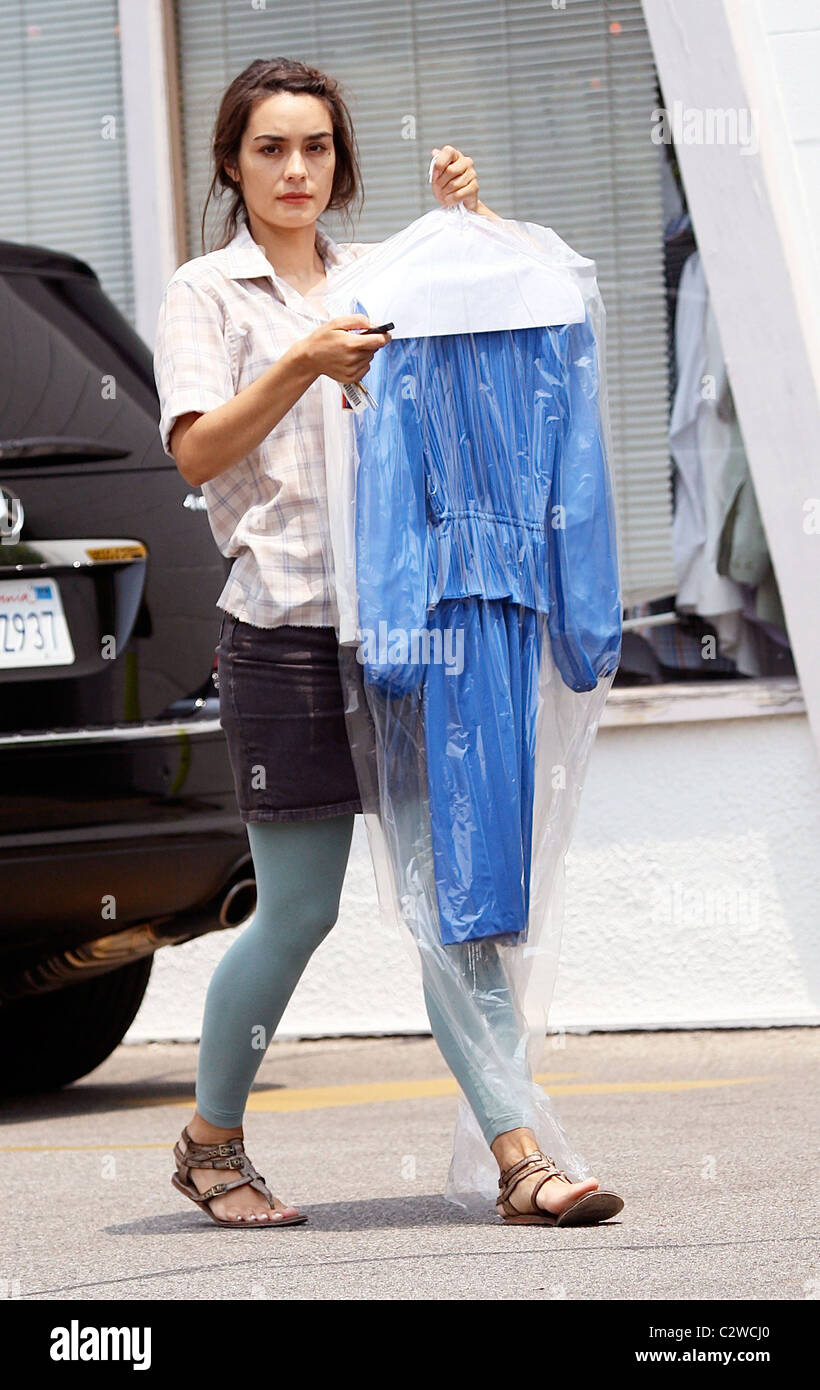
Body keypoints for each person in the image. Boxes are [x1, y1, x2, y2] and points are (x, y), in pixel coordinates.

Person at [154, 56, 619, 1229]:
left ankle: (524, 1156)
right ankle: (212, 1143)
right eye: (270, 149)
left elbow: (507, 315)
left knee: (450, 901)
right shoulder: (205, 291)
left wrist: (472, 223)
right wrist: (301, 360)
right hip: (286, 634)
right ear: (231, 163)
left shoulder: (386, 276)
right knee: (299, 909)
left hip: (422, 631)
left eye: (315, 147)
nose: (296, 169)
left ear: (340, 162)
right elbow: (199, 453)